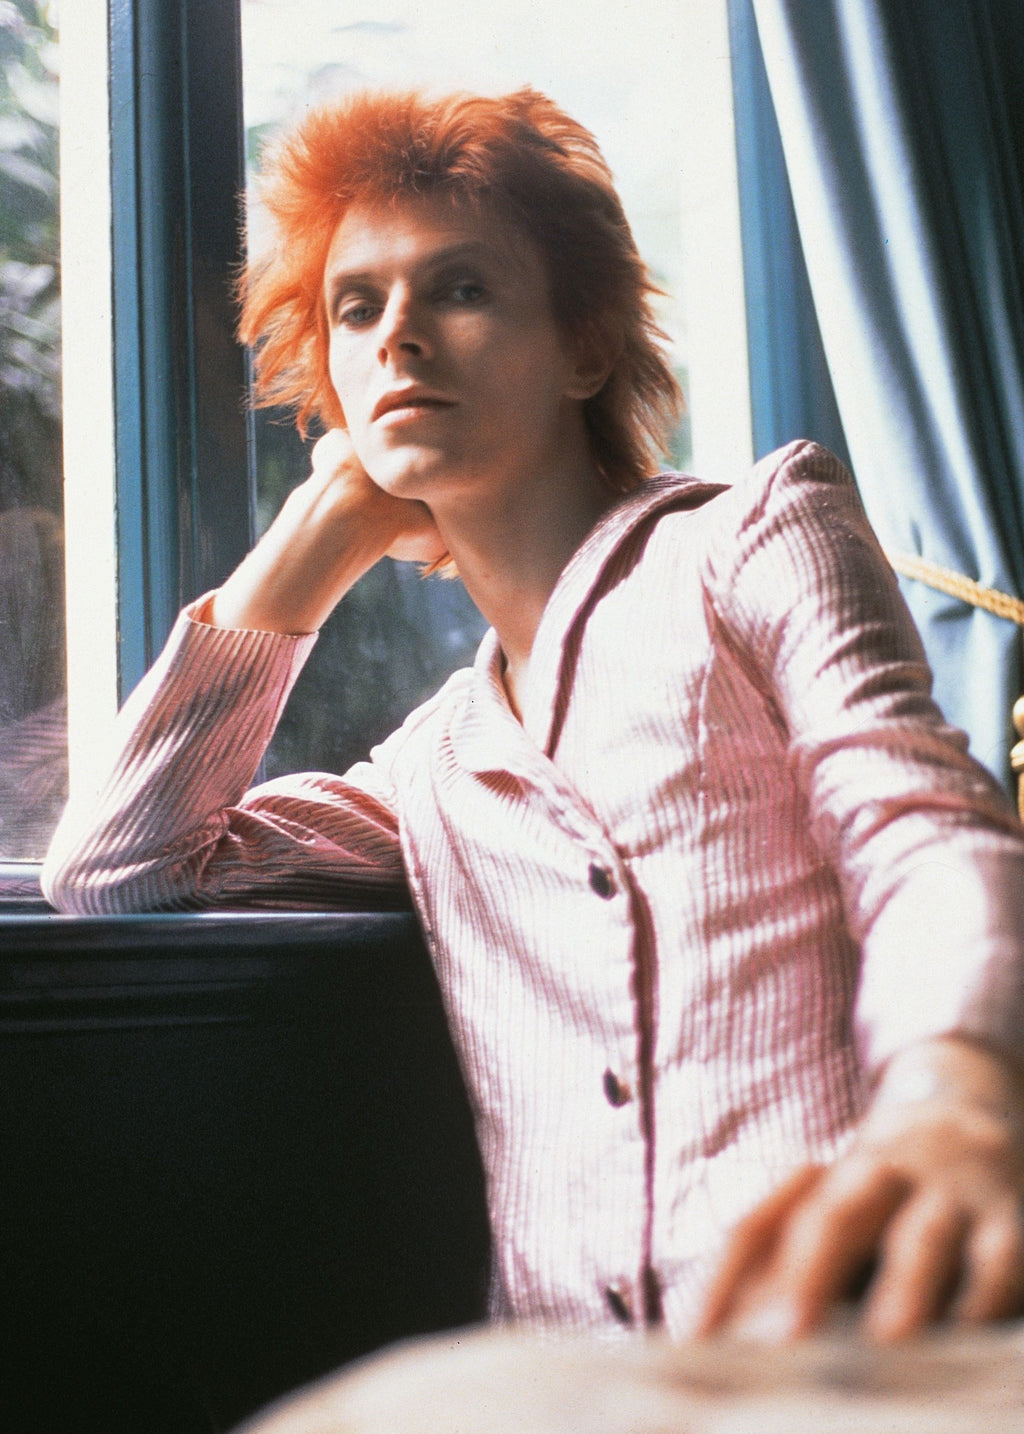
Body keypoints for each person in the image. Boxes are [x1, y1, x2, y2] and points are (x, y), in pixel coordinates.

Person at [43, 87, 1024, 1345]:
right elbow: (116, 866)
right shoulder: (432, 765)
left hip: (858, 1329)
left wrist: (956, 1089)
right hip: (560, 1385)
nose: (397, 338)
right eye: (358, 306)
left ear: (582, 348)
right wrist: (303, 550)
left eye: (458, 289)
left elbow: (920, 827)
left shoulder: (750, 538)